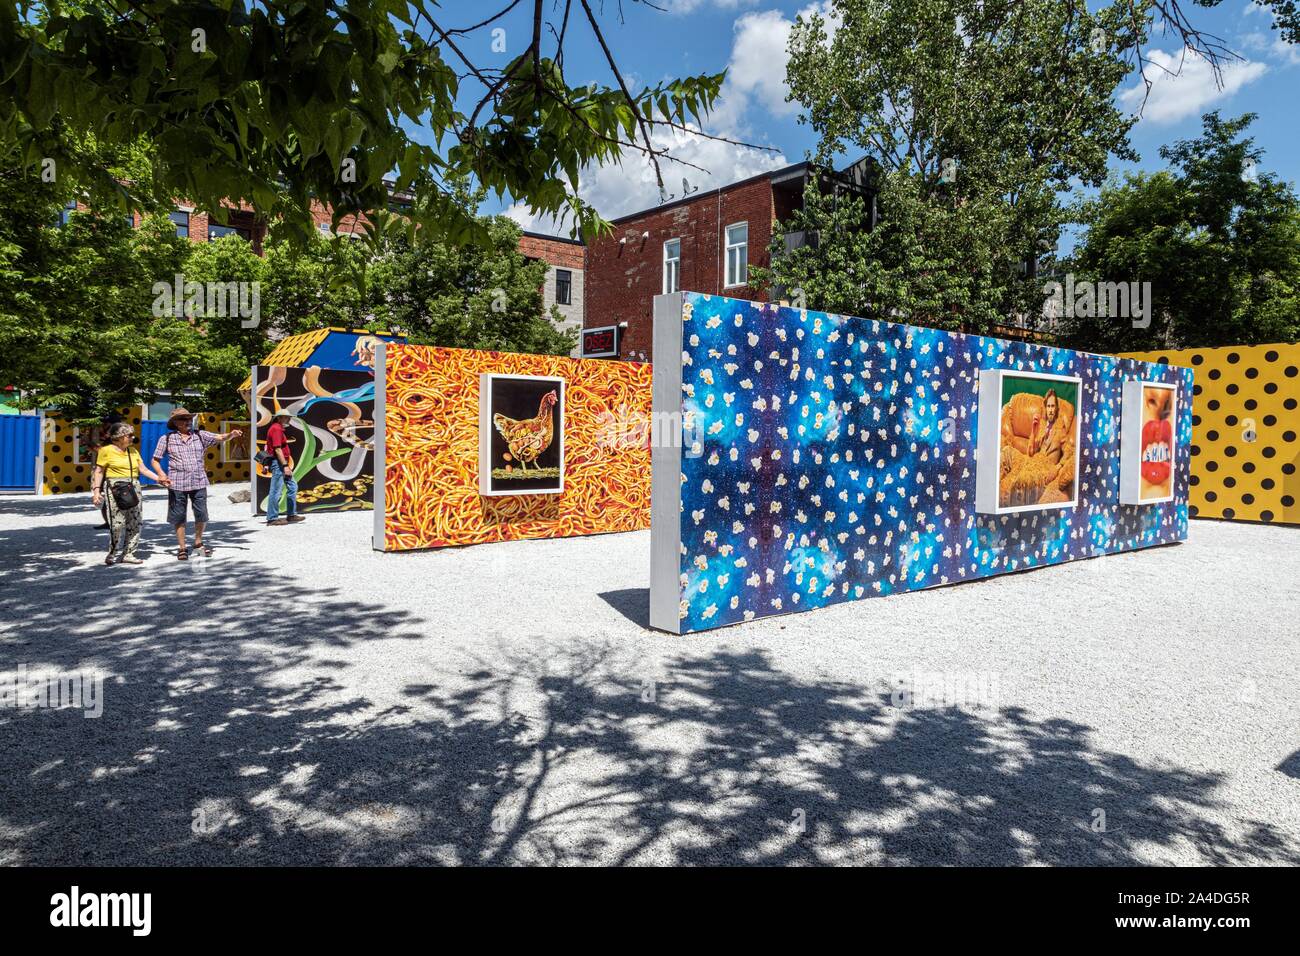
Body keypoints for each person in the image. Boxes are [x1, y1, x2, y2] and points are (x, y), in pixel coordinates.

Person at [151, 408, 243, 560]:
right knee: (178, 516)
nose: (187, 421)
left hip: (199, 481)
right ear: (175, 423)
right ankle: (182, 547)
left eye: (189, 418)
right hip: (177, 483)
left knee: (201, 514)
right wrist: (161, 474)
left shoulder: (200, 435)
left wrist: (231, 435)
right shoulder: (166, 439)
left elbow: (220, 437)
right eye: (183, 419)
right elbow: (155, 460)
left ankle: (198, 543)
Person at [91, 422, 170, 565]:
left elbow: (144, 470)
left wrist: (160, 479)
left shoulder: (133, 451)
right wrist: (96, 491)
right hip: (115, 487)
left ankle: (128, 553)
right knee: (116, 523)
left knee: (135, 521)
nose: (132, 437)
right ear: (119, 437)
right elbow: (99, 471)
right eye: (129, 435)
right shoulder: (106, 451)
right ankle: (113, 552)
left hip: (133, 486)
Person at [264, 411, 305, 526]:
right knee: (276, 491)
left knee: (292, 486)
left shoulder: (278, 428)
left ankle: (291, 515)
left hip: (281, 463)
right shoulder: (276, 429)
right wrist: (285, 466)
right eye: (287, 417)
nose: (289, 420)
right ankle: (272, 518)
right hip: (279, 464)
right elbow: (277, 449)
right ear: (280, 418)